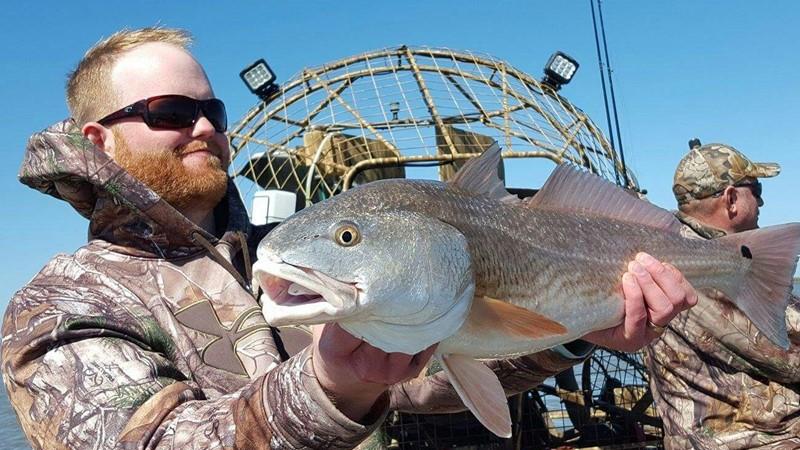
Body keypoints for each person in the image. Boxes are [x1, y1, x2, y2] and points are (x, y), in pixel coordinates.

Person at [1, 27, 696, 449]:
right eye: (170, 112)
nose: (206, 127)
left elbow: (409, 381)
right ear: (99, 139)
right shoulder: (62, 303)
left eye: (211, 108)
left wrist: (572, 333)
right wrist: (331, 381)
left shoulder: (276, 259)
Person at [645, 141, 800, 449]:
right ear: (731, 199)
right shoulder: (704, 265)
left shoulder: (672, 251)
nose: (762, 203)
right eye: (756, 191)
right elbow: (790, 349)